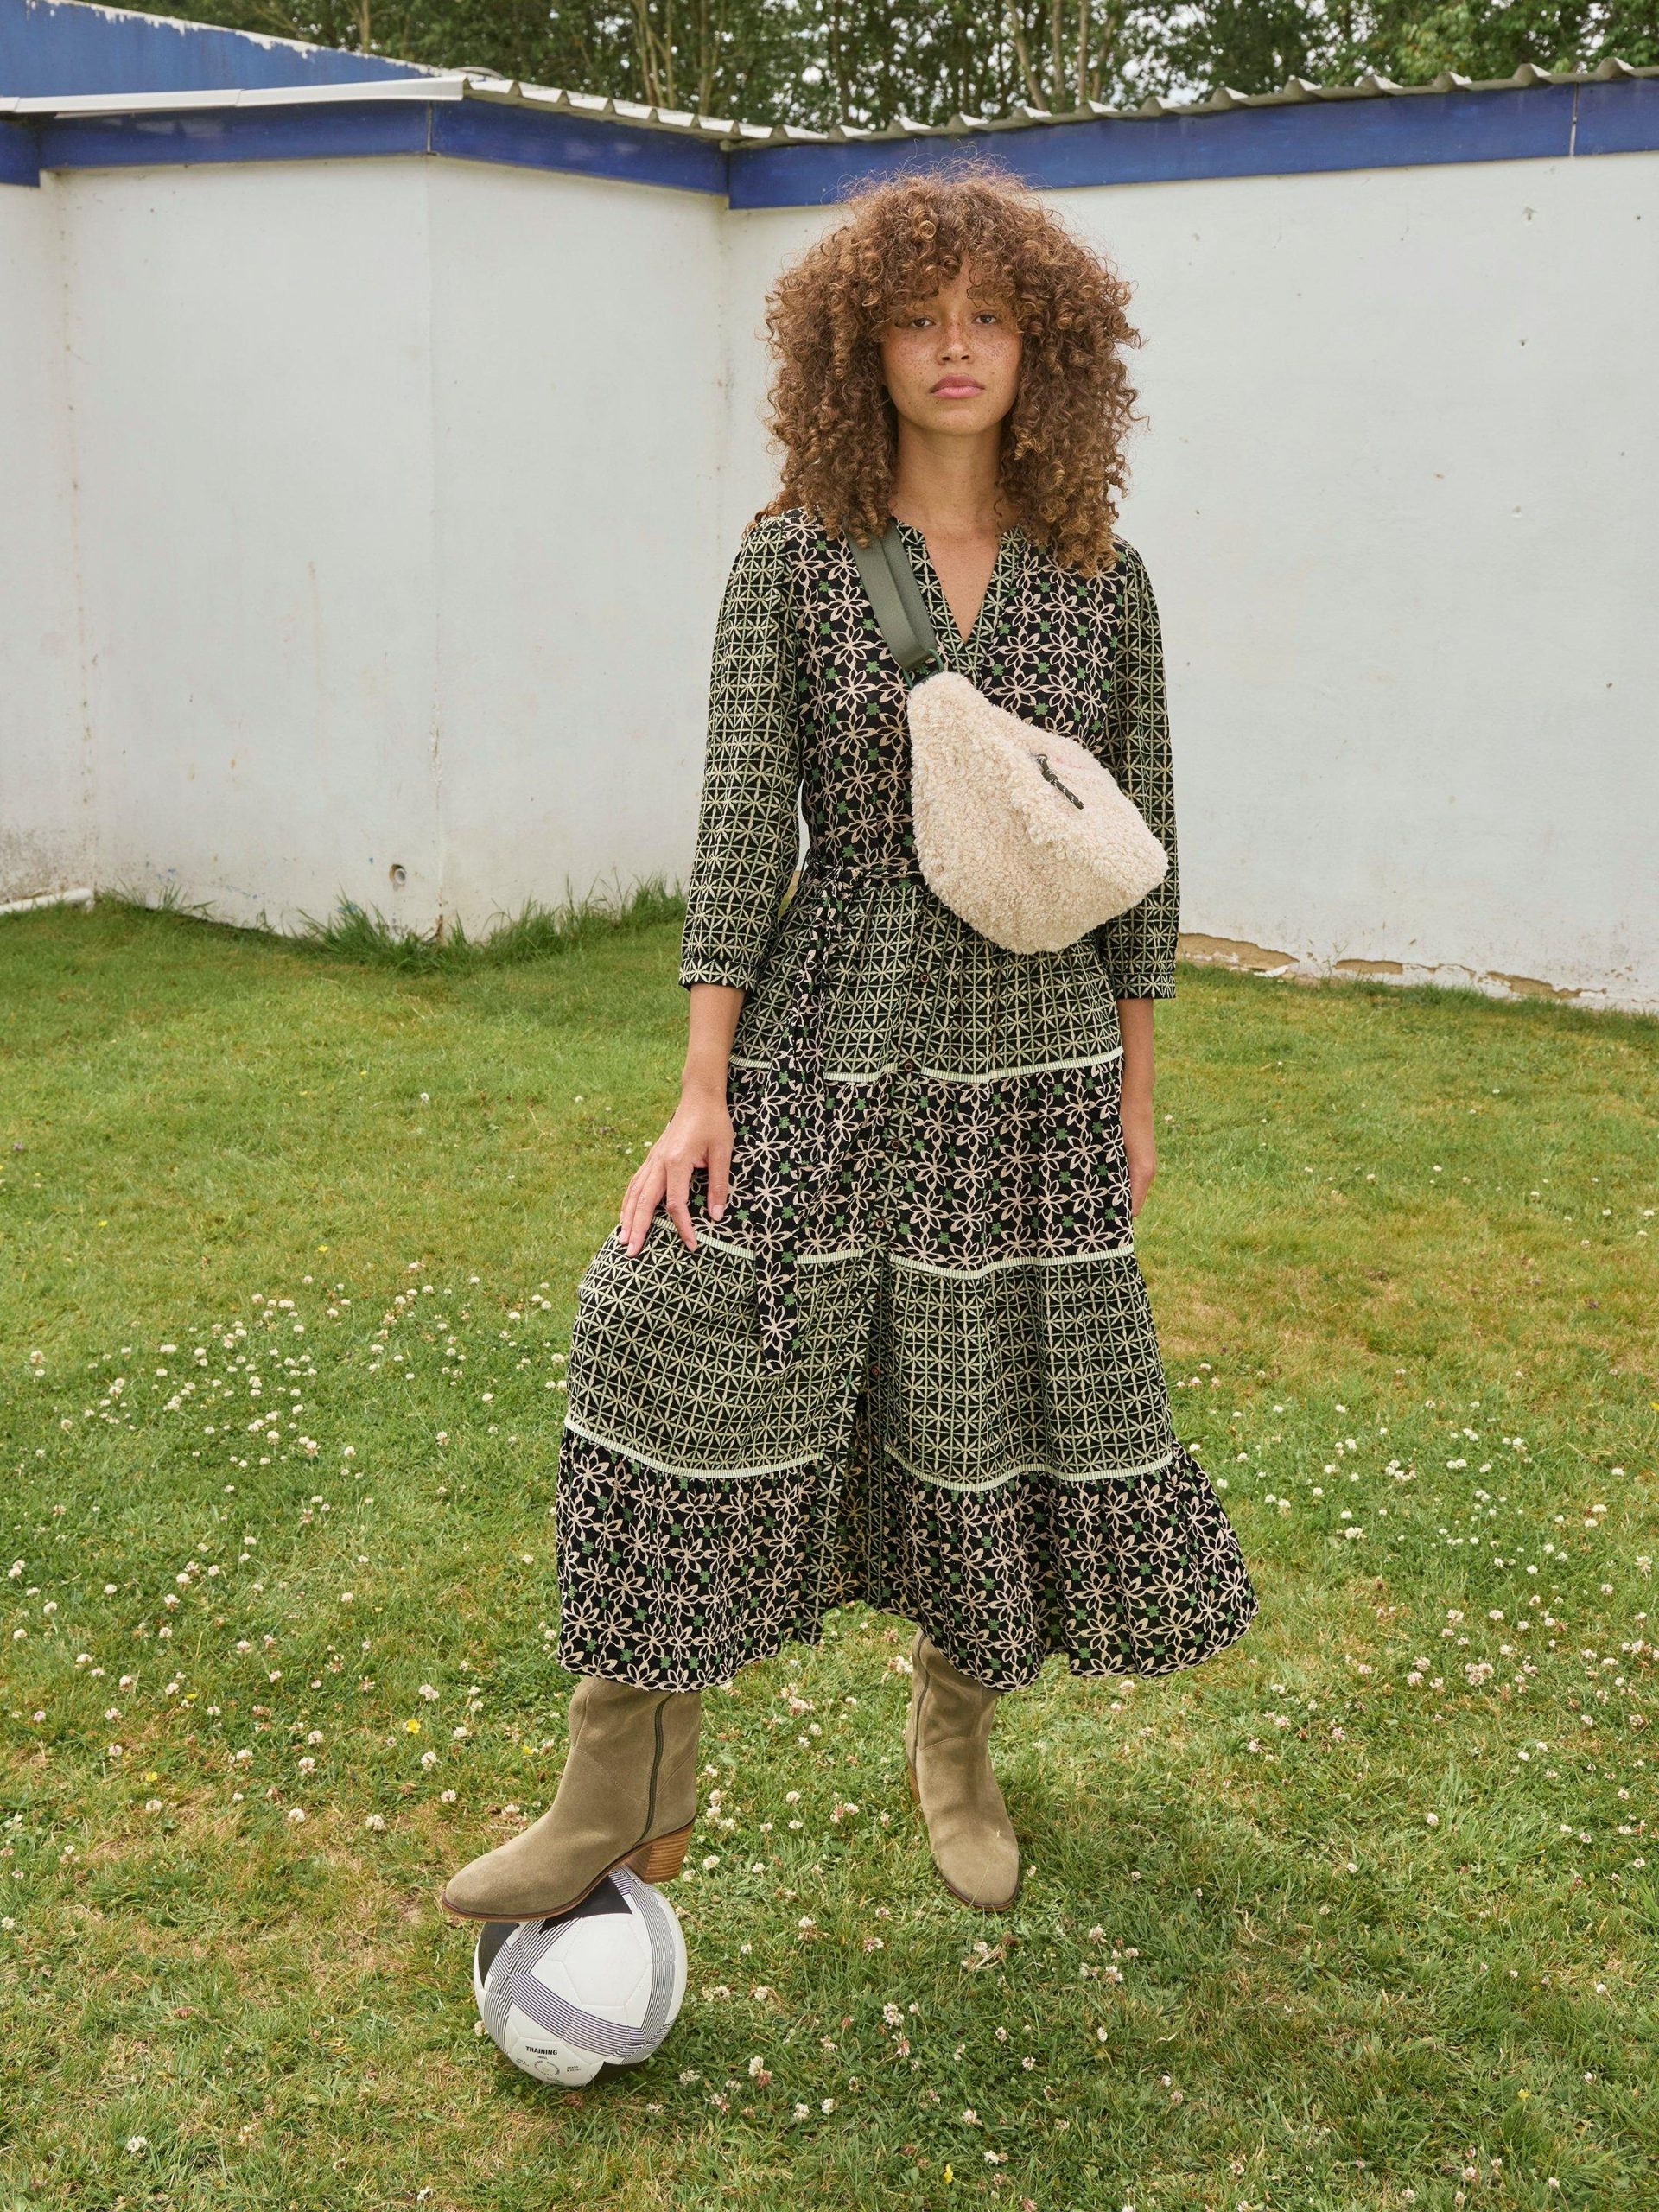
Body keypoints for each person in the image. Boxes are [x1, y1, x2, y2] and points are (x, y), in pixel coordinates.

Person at [441, 161, 1257, 1928]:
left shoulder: (1101, 577)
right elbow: (745, 829)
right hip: (834, 1017)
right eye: (917, 317)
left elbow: (1142, 843)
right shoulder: (792, 559)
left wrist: (1135, 1085)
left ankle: (956, 1747)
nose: (956, 347)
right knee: (664, 1330)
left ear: (1046, 346)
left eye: (990, 316)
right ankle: (623, 1781)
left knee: (988, 1396)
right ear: (856, 347)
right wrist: (701, 1087)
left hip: (1035, 1049)